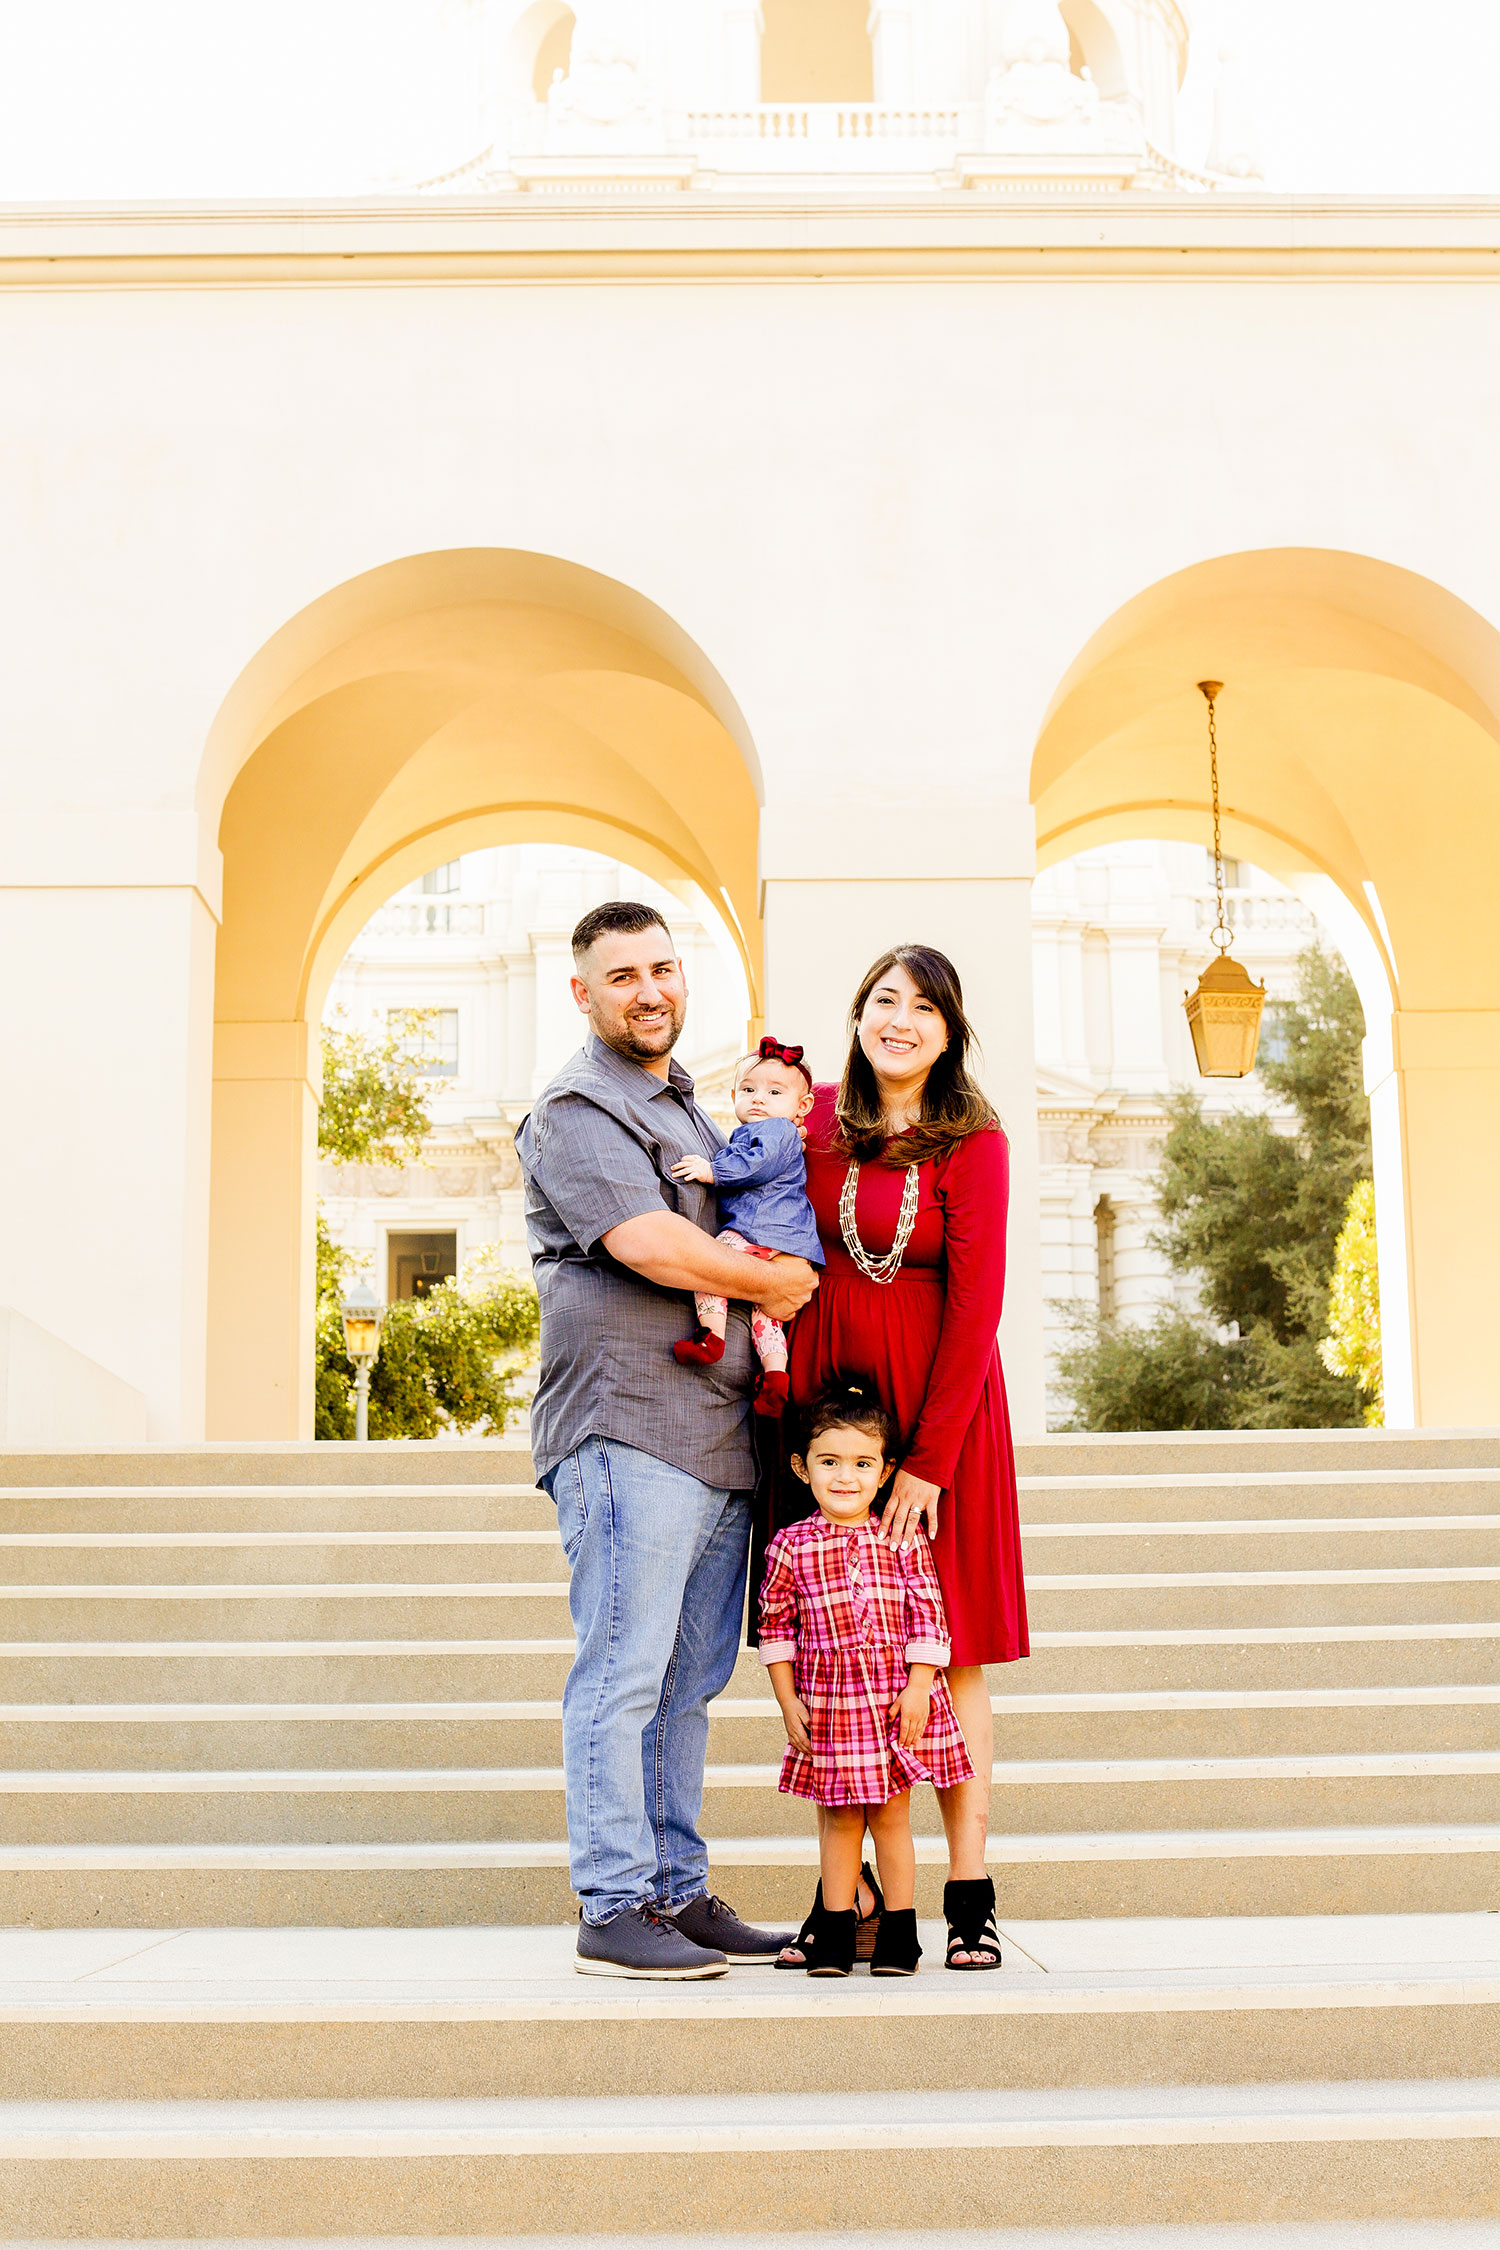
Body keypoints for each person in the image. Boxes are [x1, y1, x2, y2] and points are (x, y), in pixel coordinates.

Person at [515, 901, 819, 1979]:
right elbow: (648, 1246)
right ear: (584, 993)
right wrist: (780, 1280)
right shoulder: (578, 1105)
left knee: (688, 1680)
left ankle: (675, 1891)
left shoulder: (692, 1109)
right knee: (626, 1670)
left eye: (663, 970)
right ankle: (612, 1902)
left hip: (718, 1433)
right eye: (624, 976)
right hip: (627, 1425)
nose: (650, 992)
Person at [771, 944, 1027, 1974]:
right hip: (834, 1407)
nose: (902, 1019)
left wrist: (930, 1458)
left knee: (948, 1643)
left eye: (925, 1006)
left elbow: (977, 1305)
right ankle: (852, 1896)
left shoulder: (976, 1141)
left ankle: (967, 1893)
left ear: (951, 1030)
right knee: (840, 1649)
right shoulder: (816, 1118)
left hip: (940, 1408)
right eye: (885, 999)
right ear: (859, 1014)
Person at [758, 1381, 974, 1978]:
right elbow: (775, 1628)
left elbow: (929, 1615)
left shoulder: (901, 1539)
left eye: (862, 1463)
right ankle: (835, 1929)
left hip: (892, 1700)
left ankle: (899, 1933)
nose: (845, 1476)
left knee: (891, 1817)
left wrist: (919, 1686)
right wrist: (786, 1700)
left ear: (886, 1472)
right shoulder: (789, 1546)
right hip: (828, 1703)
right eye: (829, 1462)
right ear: (803, 1469)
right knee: (839, 1818)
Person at [668, 1034, 822, 1416]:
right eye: (749, 1089)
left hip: (760, 1228)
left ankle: (711, 1337)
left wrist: (712, 1170)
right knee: (765, 1315)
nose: (759, 1099)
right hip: (784, 1240)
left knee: (712, 1266)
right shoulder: (776, 1131)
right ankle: (774, 1379)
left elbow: (758, 1163)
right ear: (734, 1093)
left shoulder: (776, 1131)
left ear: (801, 1107)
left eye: (774, 1092)